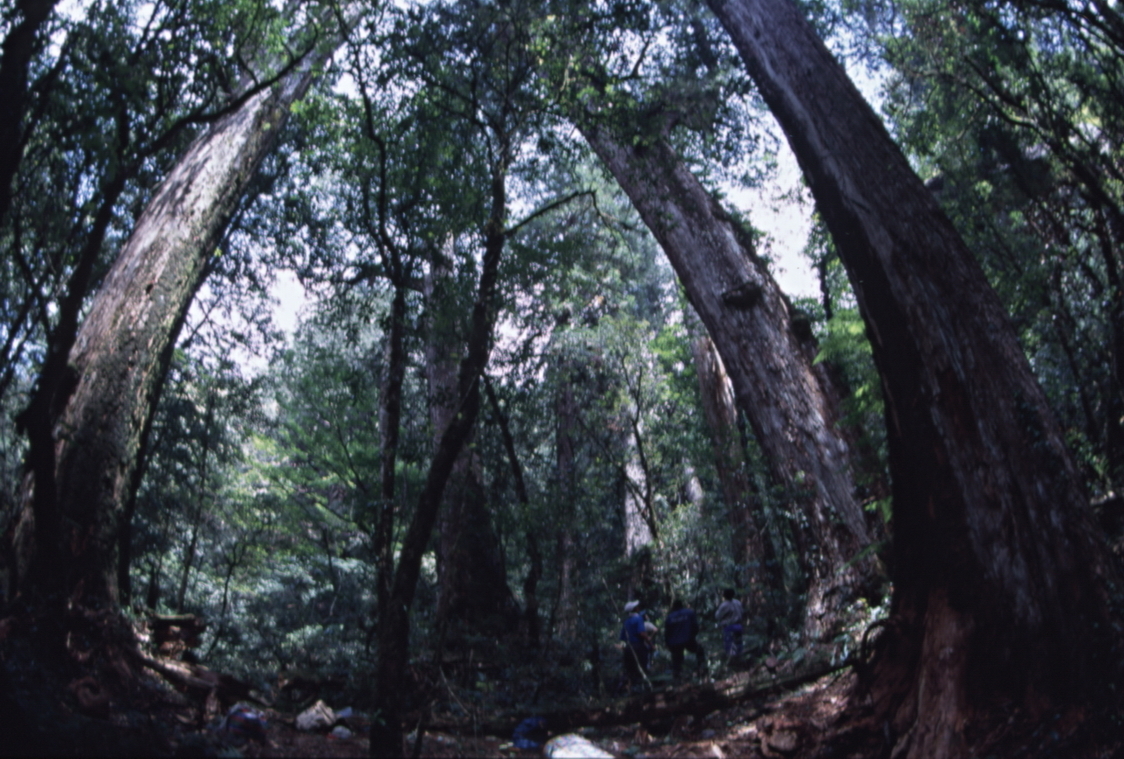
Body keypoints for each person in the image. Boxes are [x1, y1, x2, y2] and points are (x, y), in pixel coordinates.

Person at [664, 598, 705, 680]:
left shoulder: (670, 616)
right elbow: (695, 627)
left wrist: (668, 644)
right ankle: (701, 670)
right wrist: (692, 636)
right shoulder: (689, 612)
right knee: (699, 651)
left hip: (675, 643)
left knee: (677, 661)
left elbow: (667, 632)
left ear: (674, 607)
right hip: (688, 639)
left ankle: (677, 677)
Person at [619, 600, 650, 690]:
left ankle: (633, 688)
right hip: (638, 647)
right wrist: (650, 643)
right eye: (637, 607)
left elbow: (622, 637)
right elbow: (642, 633)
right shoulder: (638, 618)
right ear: (635, 609)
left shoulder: (626, 621)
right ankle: (643, 688)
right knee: (642, 667)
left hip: (628, 648)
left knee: (631, 670)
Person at [716, 588, 744, 659]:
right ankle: (740, 658)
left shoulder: (724, 605)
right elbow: (742, 612)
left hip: (729, 627)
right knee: (738, 644)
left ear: (724, 595)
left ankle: (732, 660)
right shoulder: (738, 602)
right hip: (739, 626)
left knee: (729, 646)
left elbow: (717, 616)